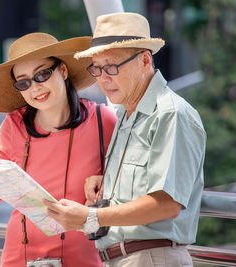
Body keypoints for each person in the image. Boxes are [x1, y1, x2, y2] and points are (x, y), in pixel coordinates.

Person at [44, 12, 206, 266]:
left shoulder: (170, 113)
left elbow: (167, 204)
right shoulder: (125, 114)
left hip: (151, 257)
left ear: (144, 60)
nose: (103, 78)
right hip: (126, 257)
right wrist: (108, 185)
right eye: (96, 68)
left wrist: (91, 216)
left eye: (111, 67)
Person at [0, 32, 117, 267]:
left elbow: (130, 190)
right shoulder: (14, 126)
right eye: (24, 82)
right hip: (20, 259)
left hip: (84, 259)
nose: (35, 88)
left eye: (42, 74)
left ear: (62, 70)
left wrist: (107, 184)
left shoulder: (103, 121)